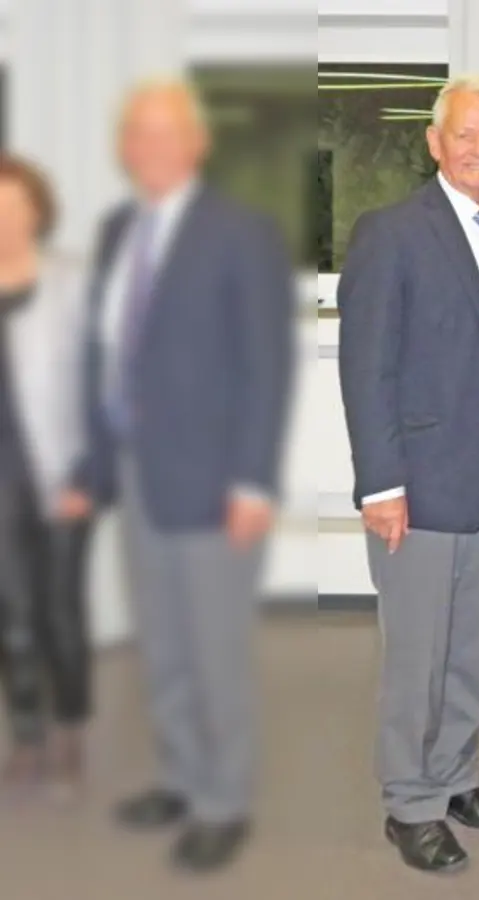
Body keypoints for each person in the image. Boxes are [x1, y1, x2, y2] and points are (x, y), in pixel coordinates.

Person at [59, 78, 295, 872]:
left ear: (197, 143)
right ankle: (181, 778)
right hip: (136, 474)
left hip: (214, 482)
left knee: (213, 650)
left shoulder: (242, 232)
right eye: (137, 133)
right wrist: (92, 466)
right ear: (123, 147)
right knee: (161, 644)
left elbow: (266, 365)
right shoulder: (117, 229)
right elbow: (107, 358)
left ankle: (222, 802)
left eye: (165, 133)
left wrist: (254, 482)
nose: (149, 147)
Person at [338, 74, 479, 875]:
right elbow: (367, 368)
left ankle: (456, 776)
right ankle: (411, 802)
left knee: (473, 640)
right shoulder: (391, 232)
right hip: (419, 481)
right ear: (435, 143)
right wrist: (380, 485)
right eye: (464, 133)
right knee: (418, 653)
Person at [0, 155, 93, 801]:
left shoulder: (71, 282)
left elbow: (102, 385)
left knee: (60, 610)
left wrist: (87, 473)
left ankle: (69, 729)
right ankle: (28, 736)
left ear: (37, 212)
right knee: (13, 613)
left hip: (61, 471)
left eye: (15, 207)